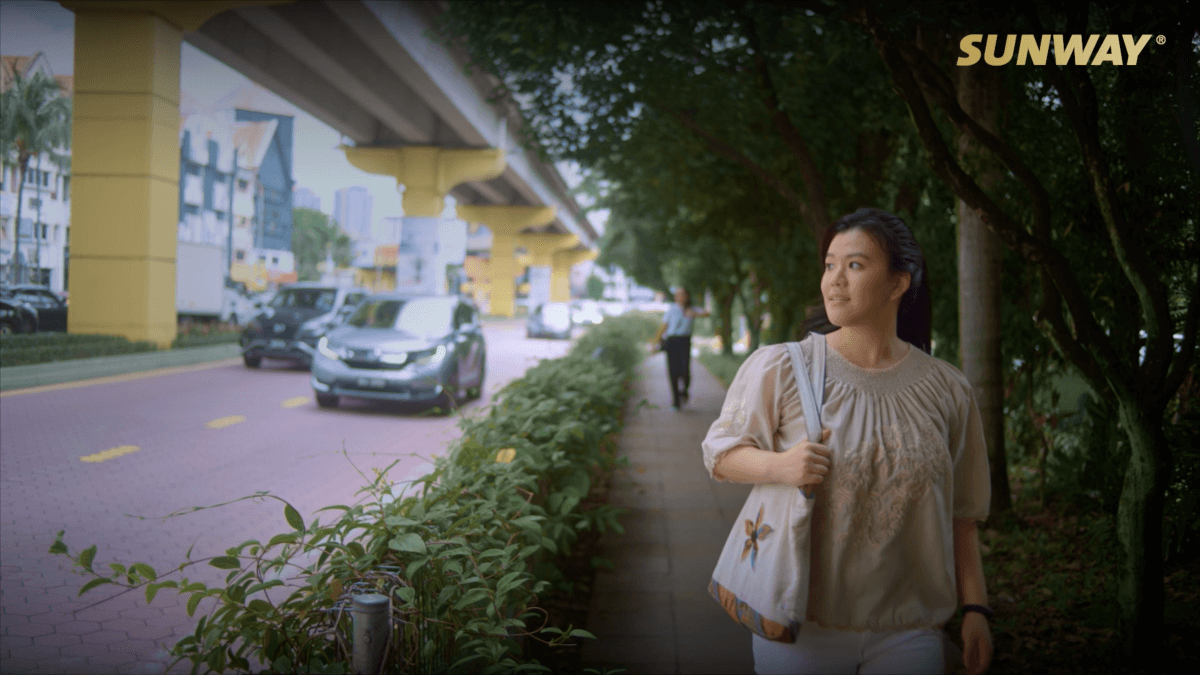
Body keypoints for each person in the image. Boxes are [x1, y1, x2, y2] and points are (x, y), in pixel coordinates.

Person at [701, 208, 993, 675]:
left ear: (898, 283)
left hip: (910, 630)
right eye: (830, 264)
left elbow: (962, 517)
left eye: (855, 265)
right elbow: (720, 455)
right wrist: (780, 467)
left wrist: (977, 610)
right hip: (803, 630)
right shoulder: (782, 367)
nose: (835, 280)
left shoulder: (948, 389)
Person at [651, 287, 710, 410]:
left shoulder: (692, 309)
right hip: (672, 341)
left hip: (685, 341)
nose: (680, 297)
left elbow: (707, 313)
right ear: (675, 297)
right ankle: (676, 401)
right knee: (673, 371)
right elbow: (664, 326)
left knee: (684, 370)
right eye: (678, 294)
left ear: (687, 296)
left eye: (683, 294)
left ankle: (684, 391)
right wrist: (655, 343)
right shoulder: (672, 309)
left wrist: (695, 314)